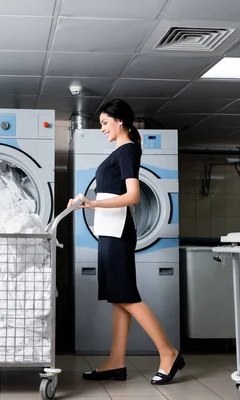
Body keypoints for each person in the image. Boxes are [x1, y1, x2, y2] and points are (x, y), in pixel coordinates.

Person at [68, 99, 185, 385]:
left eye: (105, 123)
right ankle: (116, 362)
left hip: (118, 231)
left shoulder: (128, 151)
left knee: (127, 297)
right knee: (119, 299)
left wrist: (93, 203)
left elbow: (133, 196)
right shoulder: (119, 152)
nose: (102, 129)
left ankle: (169, 353)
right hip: (109, 230)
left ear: (120, 121)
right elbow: (112, 193)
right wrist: (86, 202)